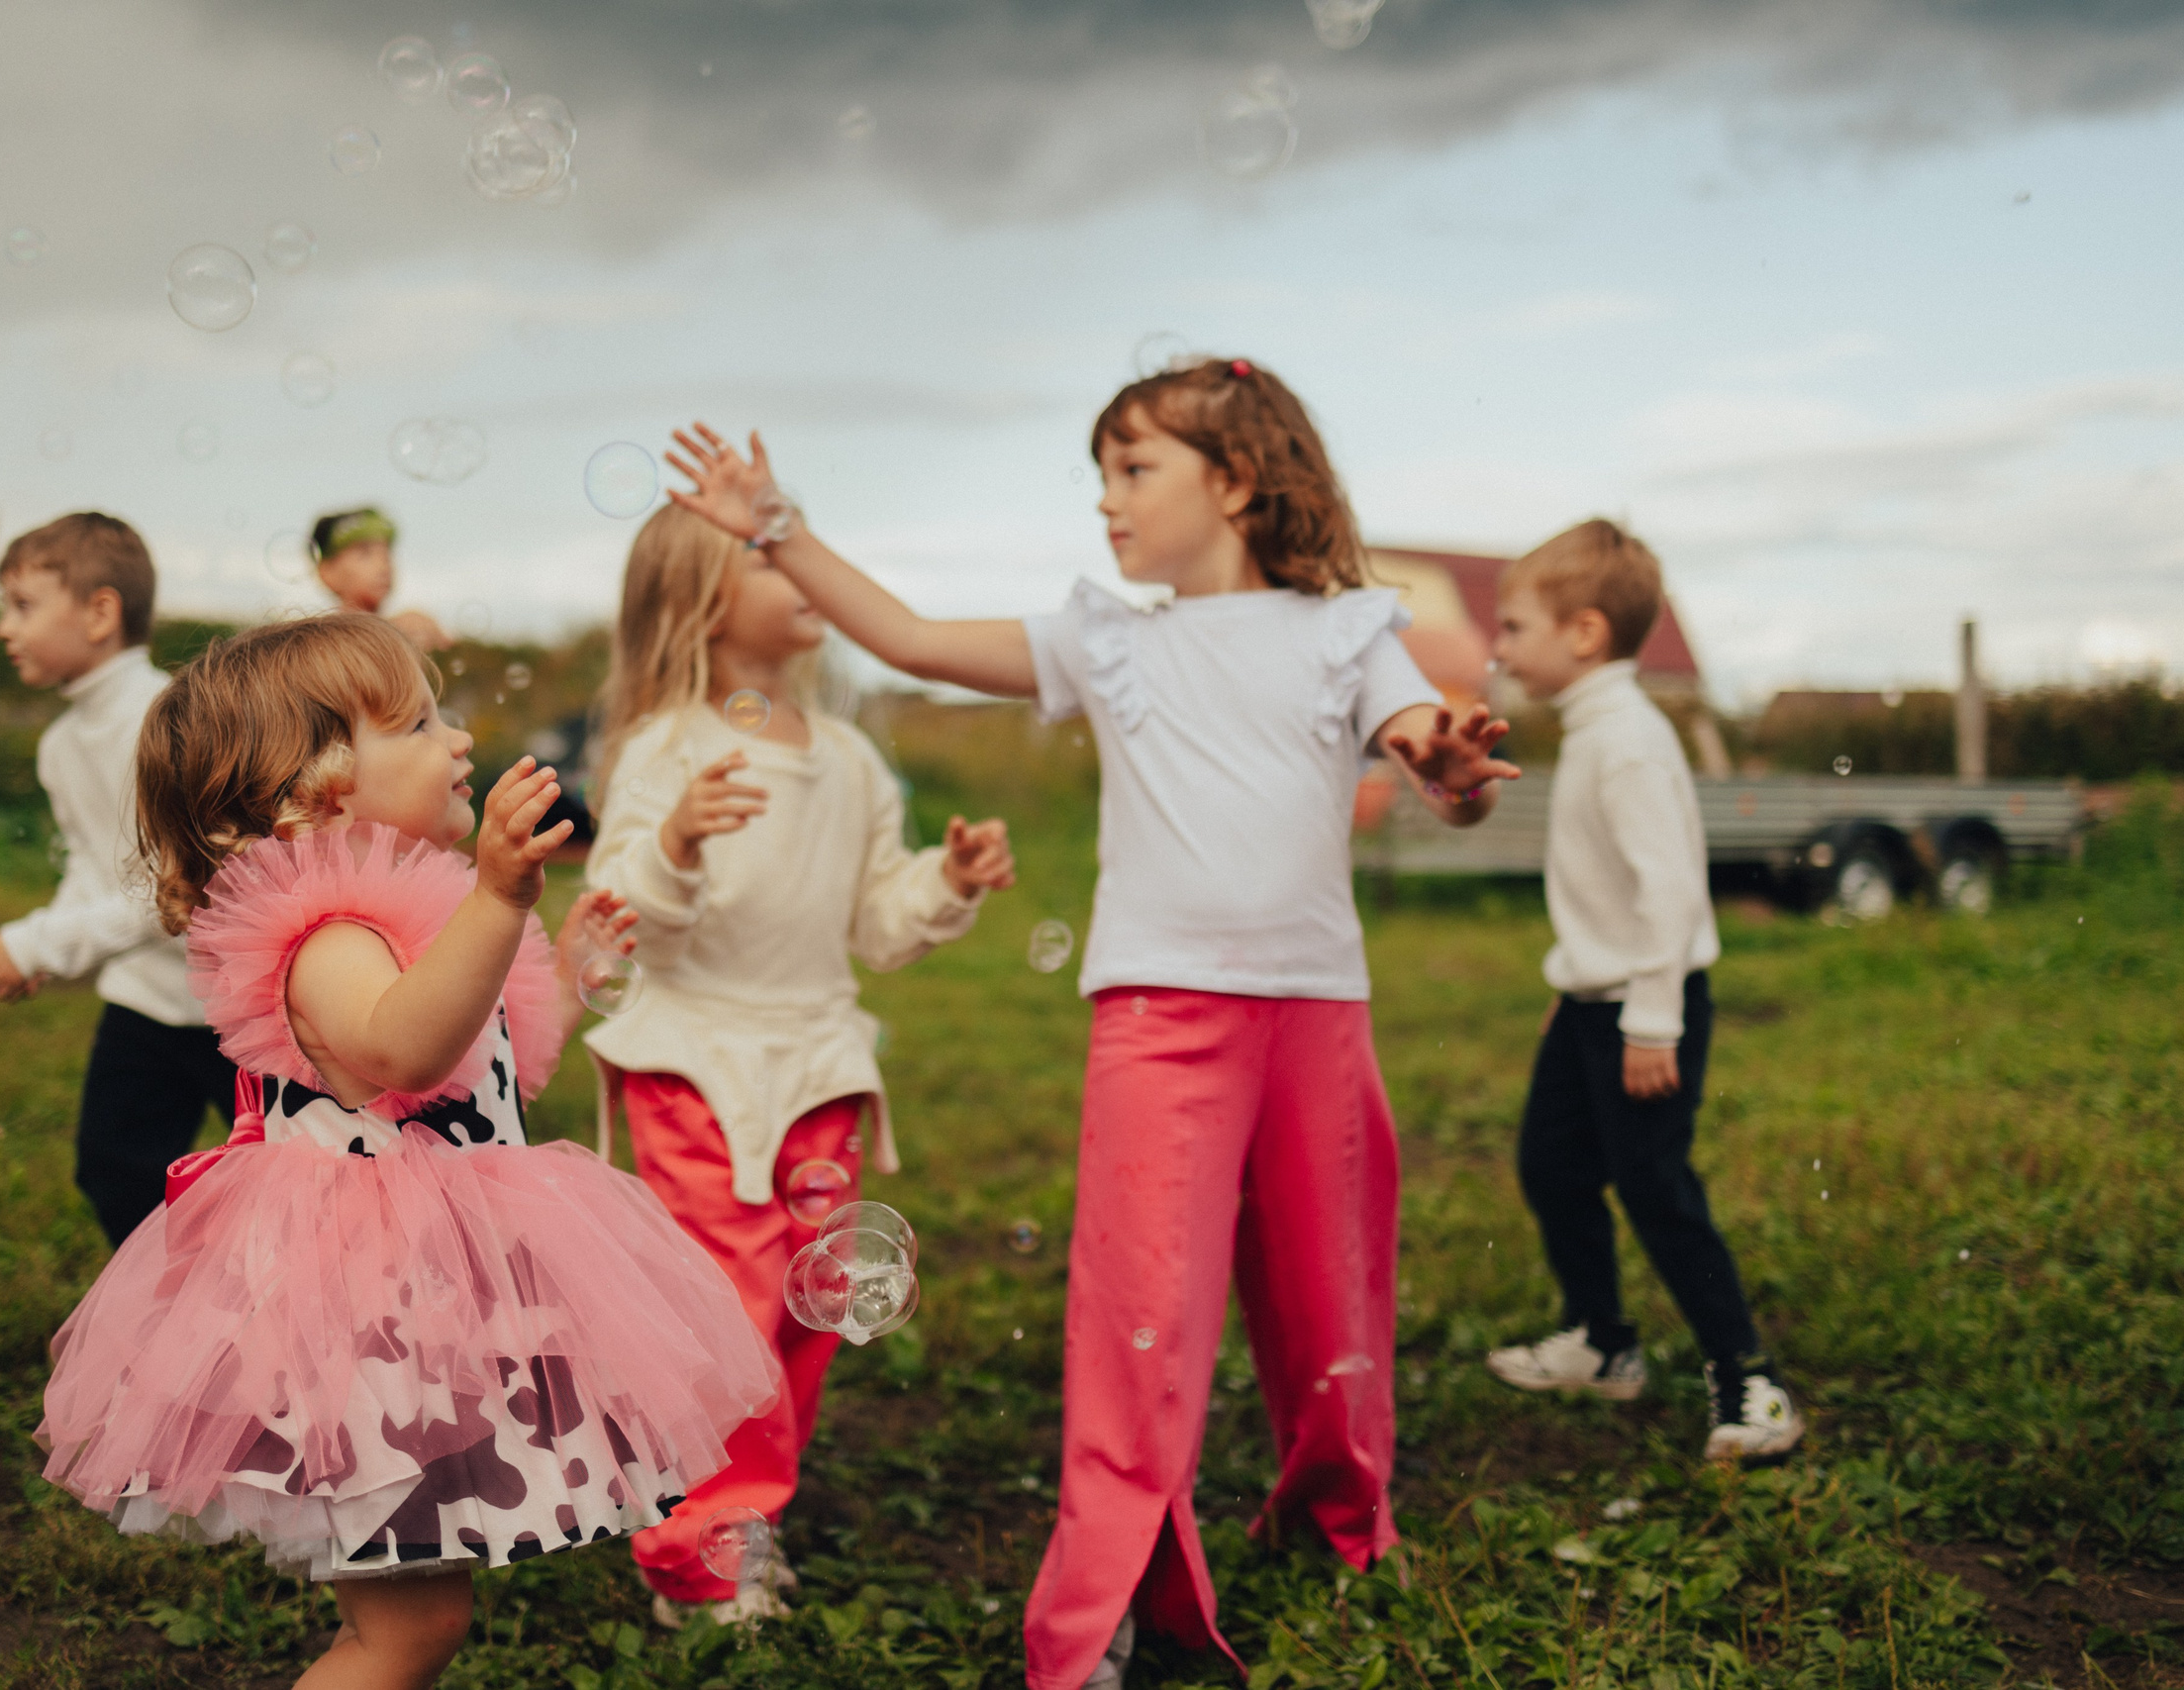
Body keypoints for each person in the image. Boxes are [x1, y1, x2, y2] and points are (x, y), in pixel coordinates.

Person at [660, 355, 1520, 1690]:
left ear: (1235, 482)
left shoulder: (1352, 629)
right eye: (1100, 476)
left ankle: (1337, 1511)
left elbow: (1425, 746)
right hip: (1159, 1017)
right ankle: (1108, 1595)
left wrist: (1452, 767)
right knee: (1139, 1313)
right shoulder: (1105, 633)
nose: (1108, 503)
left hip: (1315, 1018)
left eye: (1135, 471)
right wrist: (777, 524)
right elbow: (908, 636)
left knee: (1327, 1287)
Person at [36, 614, 780, 1690]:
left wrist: (561, 970)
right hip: (363, 1324)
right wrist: (496, 899)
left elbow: (489, 1077)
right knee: (406, 1630)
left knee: (424, 1621)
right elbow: (399, 1046)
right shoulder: (324, 940)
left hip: (426, 1314)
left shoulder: (410, 928)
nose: (460, 737)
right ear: (317, 786)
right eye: (420, 721)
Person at [577, 505, 1016, 1628]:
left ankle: (740, 1507)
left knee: (807, 1312)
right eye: (765, 557)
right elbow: (627, 917)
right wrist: (673, 843)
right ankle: (698, 1549)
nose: (801, 570)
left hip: (818, 1066)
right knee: (722, 1310)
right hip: (697, 1062)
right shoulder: (663, 751)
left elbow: (875, 924)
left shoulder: (854, 760)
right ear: (698, 600)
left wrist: (947, 883)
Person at [1483, 519, 1804, 1461]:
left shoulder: (1623, 739)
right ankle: (1602, 1341)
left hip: (1644, 1010)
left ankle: (1750, 1381)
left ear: (1583, 633)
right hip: (1595, 1003)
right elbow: (1610, 894)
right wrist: (1580, 985)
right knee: (1552, 1164)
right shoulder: (1596, 730)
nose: (1498, 646)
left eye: (1512, 627)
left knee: (1655, 1187)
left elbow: (1668, 892)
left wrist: (1651, 1018)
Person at [0, 512, 234, 1247]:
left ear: (101, 611)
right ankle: (173, 1318)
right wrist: (47, 941)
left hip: (238, 1010)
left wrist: (40, 943)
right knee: (115, 1166)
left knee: (295, 1173)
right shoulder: (60, 744)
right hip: (144, 998)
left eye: (22, 606)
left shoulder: (164, 718)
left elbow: (177, 889)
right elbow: (93, 863)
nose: (6, 628)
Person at [310, 507, 450, 650]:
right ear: (327, 572)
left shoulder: (405, 631)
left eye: (386, 554)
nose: (383, 566)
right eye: (365, 553)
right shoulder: (319, 648)